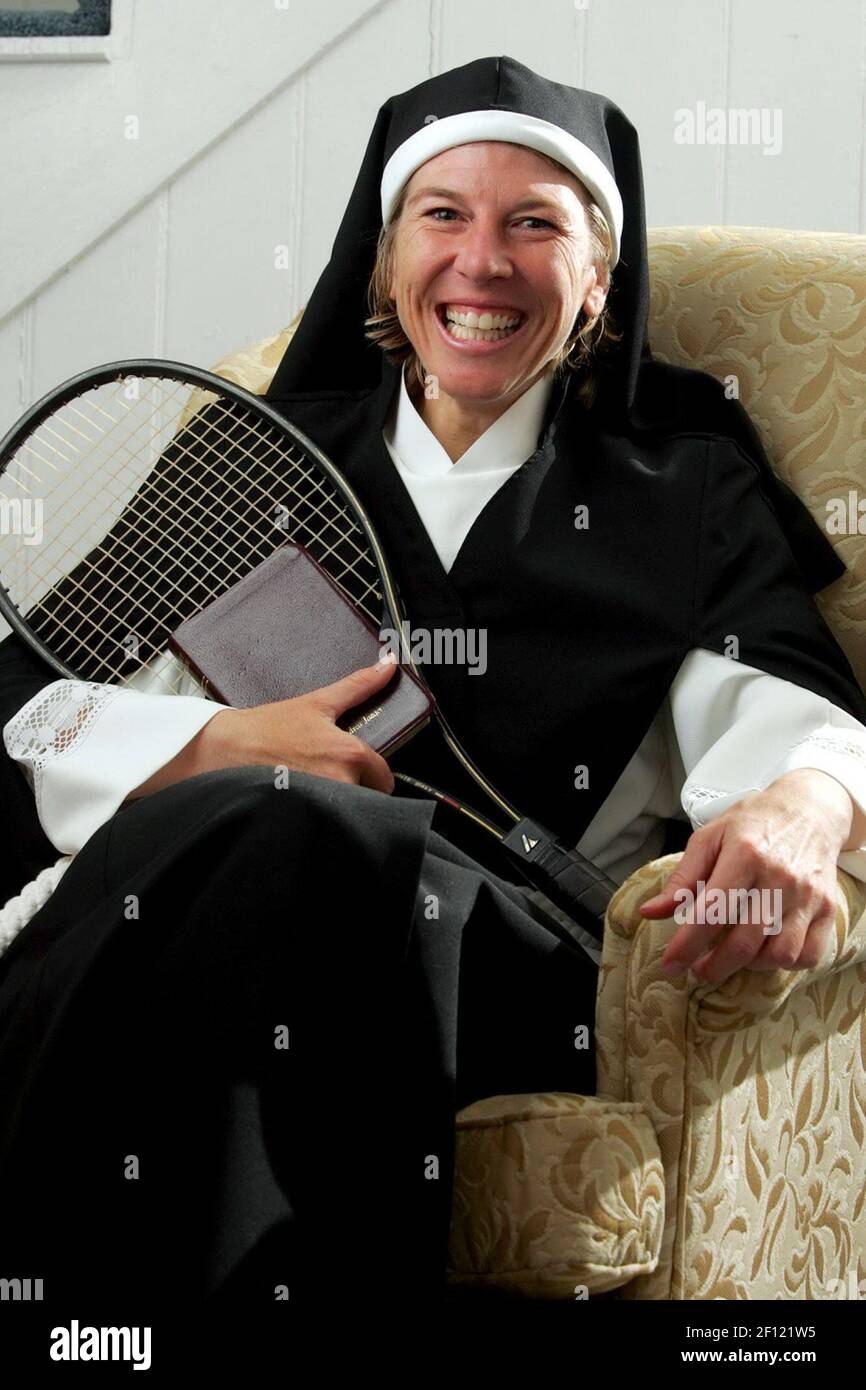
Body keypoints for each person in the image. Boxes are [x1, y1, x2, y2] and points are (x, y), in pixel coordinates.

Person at [1, 55, 866, 1320]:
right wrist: (210, 743)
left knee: (296, 822)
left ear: (594, 281)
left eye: (534, 224)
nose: (483, 260)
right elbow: (24, 693)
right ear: (384, 257)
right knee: (273, 820)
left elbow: (785, 706)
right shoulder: (249, 458)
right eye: (443, 216)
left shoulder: (680, 487)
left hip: (519, 963)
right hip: (248, 922)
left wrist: (809, 801)